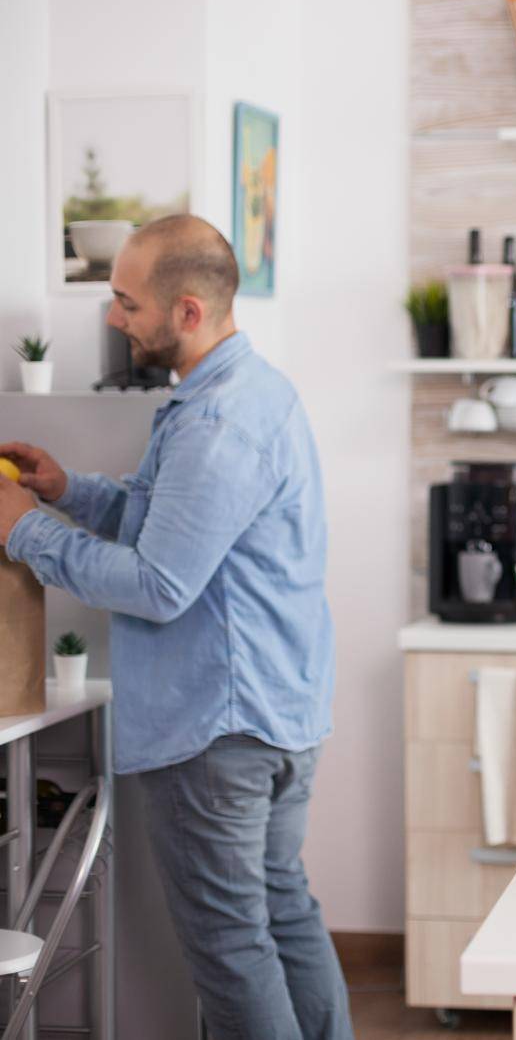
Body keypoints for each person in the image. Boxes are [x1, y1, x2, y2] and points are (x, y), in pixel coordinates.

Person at [0, 215, 352, 1039]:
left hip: (215, 732)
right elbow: (177, 525)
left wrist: (21, 529)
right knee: (280, 915)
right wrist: (67, 491)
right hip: (274, 714)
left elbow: (159, 582)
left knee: (233, 949)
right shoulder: (246, 393)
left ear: (188, 310)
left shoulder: (215, 422)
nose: (116, 319)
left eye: (126, 302)